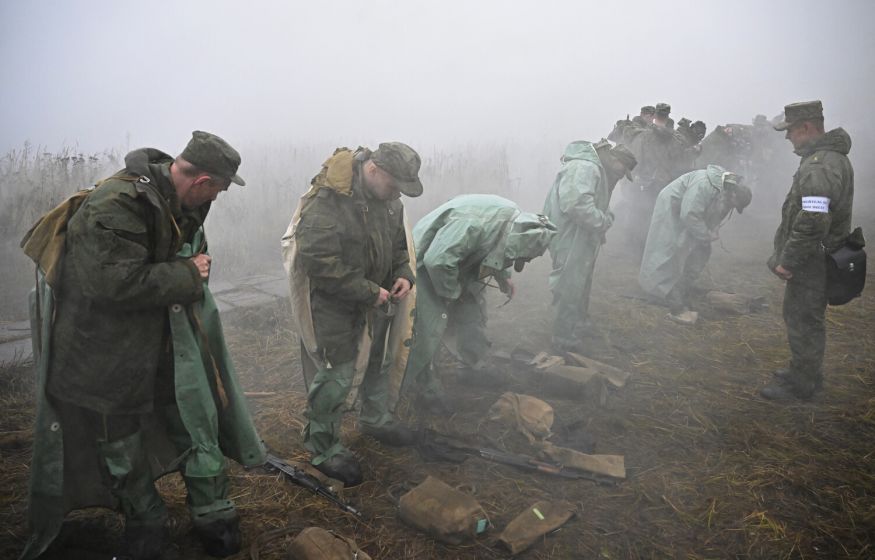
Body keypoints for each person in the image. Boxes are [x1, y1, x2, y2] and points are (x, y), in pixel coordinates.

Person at [20, 132, 265, 560]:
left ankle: (213, 513)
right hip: (101, 349)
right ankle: (144, 519)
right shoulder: (114, 206)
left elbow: (182, 256)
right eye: (220, 189)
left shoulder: (183, 203)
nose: (219, 199)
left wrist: (189, 270)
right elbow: (110, 283)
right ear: (201, 179)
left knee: (195, 420)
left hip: (165, 340)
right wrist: (188, 274)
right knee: (118, 438)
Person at [283, 143, 421, 486]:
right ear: (373, 171)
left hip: (377, 298)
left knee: (379, 359)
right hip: (335, 304)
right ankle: (323, 446)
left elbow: (399, 246)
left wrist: (404, 274)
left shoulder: (389, 201)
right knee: (337, 374)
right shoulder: (328, 201)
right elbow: (320, 264)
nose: (396, 194)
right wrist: (369, 291)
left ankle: (374, 418)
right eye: (393, 185)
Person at [402, 194, 556, 411]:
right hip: (425, 263)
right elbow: (437, 261)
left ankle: (472, 367)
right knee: (429, 327)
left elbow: (501, 247)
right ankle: (427, 392)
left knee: (472, 313)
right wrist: (453, 293)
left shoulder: (513, 223)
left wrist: (504, 276)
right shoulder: (474, 224)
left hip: (456, 264)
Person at [761, 100, 854, 401]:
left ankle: (802, 385)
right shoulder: (827, 159)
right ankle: (804, 371)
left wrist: (789, 259)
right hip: (815, 256)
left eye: (790, 131)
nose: (788, 138)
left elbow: (814, 218)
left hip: (811, 260)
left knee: (803, 319)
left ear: (807, 127)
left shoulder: (820, 165)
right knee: (801, 317)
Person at [543, 141, 637, 352]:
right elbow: (576, 205)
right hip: (569, 234)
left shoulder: (598, 169)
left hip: (581, 234)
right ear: (614, 160)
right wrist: (602, 222)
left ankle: (578, 322)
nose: (622, 176)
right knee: (569, 283)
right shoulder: (585, 167)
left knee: (581, 280)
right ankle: (563, 337)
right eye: (623, 170)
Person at [638, 165, 752, 324]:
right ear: (733, 193)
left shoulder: (726, 191)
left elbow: (714, 212)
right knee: (668, 248)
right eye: (734, 203)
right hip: (672, 206)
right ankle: (656, 287)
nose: (732, 207)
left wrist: (712, 230)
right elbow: (689, 214)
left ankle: (680, 286)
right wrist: (705, 234)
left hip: (688, 212)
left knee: (700, 250)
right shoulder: (705, 185)